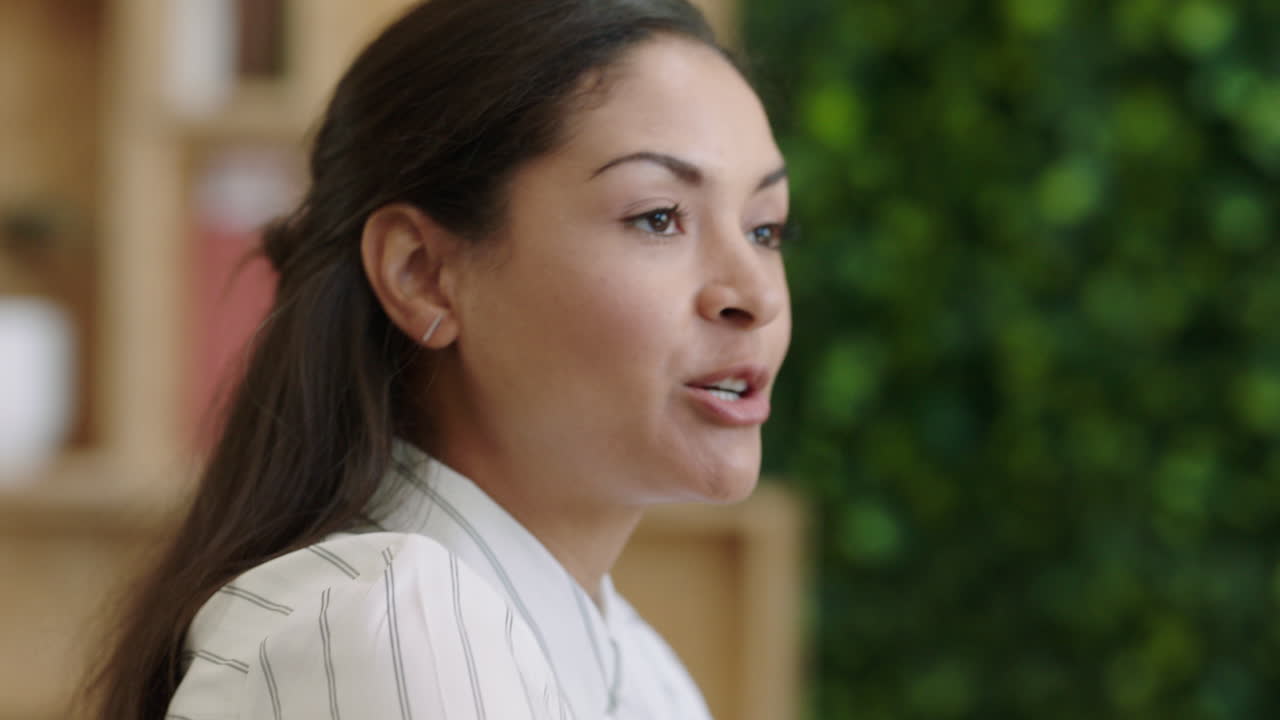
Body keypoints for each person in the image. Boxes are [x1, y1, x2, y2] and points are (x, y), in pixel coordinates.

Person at [85, 0, 791, 717]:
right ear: (421, 273)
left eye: (766, 229)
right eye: (658, 217)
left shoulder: (637, 668)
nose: (755, 294)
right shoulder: (398, 627)